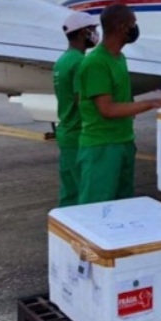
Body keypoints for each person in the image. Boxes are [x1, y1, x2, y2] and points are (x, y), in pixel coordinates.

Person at [75, 3, 161, 205]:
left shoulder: (119, 58)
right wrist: (154, 103)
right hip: (102, 147)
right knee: (96, 208)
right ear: (121, 26)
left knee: (122, 205)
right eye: (133, 24)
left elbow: (123, 100)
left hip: (123, 142)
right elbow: (107, 109)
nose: (135, 29)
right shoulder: (96, 63)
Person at [52, 11, 100, 207]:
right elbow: (84, 101)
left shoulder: (62, 61)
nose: (96, 33)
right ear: (82, 33)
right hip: (79, 134)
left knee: (69, 191)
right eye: (93, 29)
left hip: (65, 130)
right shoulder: (81, 62)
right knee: (85, 192)